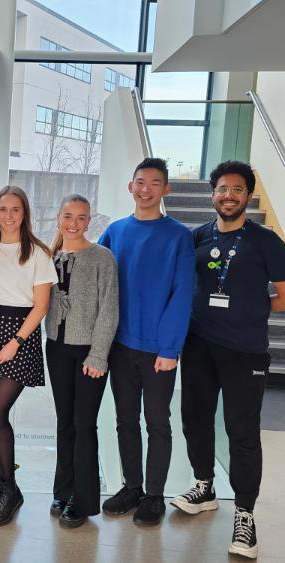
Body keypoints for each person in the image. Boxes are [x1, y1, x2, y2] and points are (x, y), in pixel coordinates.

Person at [171, 161, 285, 559]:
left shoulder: (266, 240)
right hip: (199, 345)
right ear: (212, 194)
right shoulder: (197, 237)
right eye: (222, 189)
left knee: (242, 432)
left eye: (237, 189)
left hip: (245, 351)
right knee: (195, 419)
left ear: (248, 195)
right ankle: (204, 485)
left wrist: (255, 306)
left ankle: (245, 514)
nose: (229, 195)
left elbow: (284, 295)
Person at [98, 157, 195, 526]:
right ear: (130, 186)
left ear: (166, 189)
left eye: (155, 183)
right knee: (125, 420)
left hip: (158, 350)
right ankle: (132, 487)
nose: (146, 188)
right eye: (140, 181)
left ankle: (155, 494)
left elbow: (182, 294)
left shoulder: (179, 236)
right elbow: (97, 277)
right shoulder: (116, 231)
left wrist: (170, 349)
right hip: (120, 346)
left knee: (157, 421)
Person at [0, 185, 58, 527]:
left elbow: (42, 306)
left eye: (15, 210)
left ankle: (10, 488)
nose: (9, 215)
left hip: (21, 334)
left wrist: (15, 342)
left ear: (25, 214)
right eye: (3, 209)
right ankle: (7, 486)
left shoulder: (37, 252)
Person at [45, 194, 119, 528]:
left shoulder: (102, 257)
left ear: (89, 221)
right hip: (57, 349)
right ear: (59, 218)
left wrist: (99, 354)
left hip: (90, 350)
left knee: (84, 423)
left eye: (81, 217)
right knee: (64, 421)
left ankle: (84, 499)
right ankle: (63, 490)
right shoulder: (49, 256)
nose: (74, 223)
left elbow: (109, 309)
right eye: (68, 216)